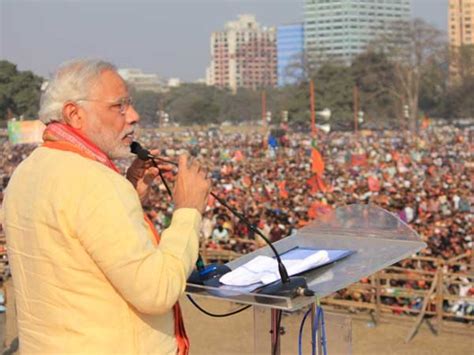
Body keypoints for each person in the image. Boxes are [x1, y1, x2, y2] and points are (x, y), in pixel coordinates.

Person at [2, 59, 211, 354]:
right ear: (74, 114)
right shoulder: (96, 182)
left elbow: (73, 248)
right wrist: (187, 211)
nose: (134, 116)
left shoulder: (26, 172)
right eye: (119, 106)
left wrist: (128, 194)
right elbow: (156, 290)